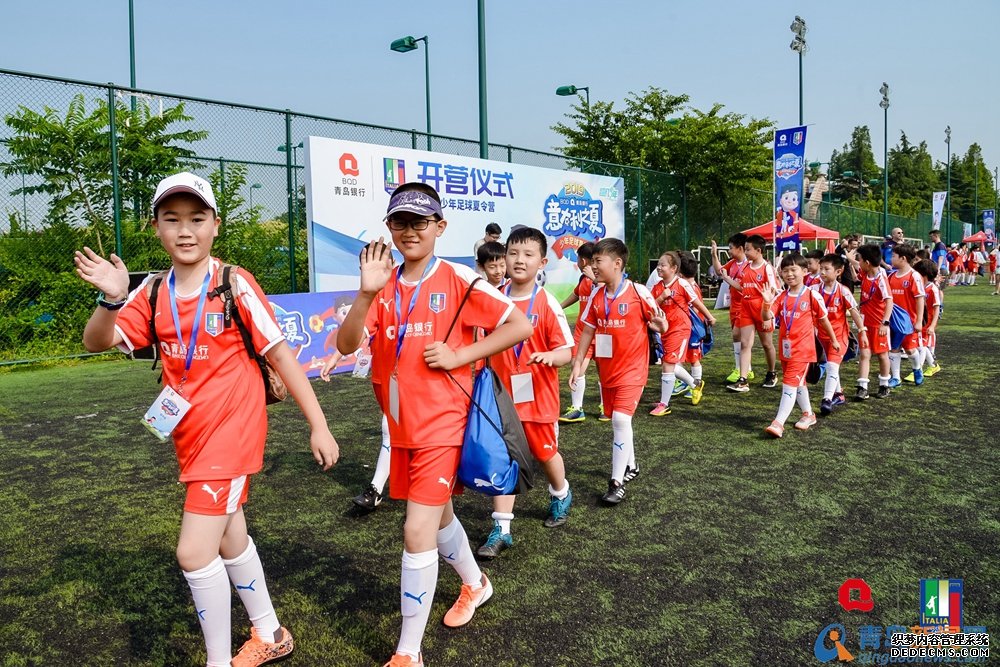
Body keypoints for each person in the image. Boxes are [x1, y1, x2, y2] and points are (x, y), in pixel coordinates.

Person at [73, 172, 339, 667]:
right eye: (172, 219)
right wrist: (111, 298)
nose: (185, 230)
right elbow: (97, 342)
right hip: (190, 438)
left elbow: (281, 356)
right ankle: (270, 631)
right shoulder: (152, 292)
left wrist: (318, 424)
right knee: (231, 534)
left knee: (194, 553)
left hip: (233, 436)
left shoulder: (232, 284)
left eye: (197, 218)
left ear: (215, 225)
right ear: (156, 228)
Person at [335, 182, 532, 667]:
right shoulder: (381, 283)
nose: (408, 231)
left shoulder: (460, 280)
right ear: (388, 228)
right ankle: (475, 582)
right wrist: (365, 293)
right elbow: (344, 345)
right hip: (400, 427)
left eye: (419, 222)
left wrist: (459, 354)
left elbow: (518, 326)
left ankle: (408, 653)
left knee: (416, 530)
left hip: (445, 427)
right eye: (399, 222)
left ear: (439, 227)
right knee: (440, 516)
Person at [476, 226, 574, 559]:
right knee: (503, 458)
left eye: (528, 254)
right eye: (513, 253)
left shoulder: (546, 303)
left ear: (542, 261)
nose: (519, 260)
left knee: (544, 453)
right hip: (500, 398)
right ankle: (501, 528)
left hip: (539, 400)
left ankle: (560, 493)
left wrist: (550, 356)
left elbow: (568, 350)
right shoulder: (493, 297)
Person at [569, 238, 666, 505]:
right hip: (607, 370)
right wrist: (578, 364)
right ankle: (632, 465)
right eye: (592, 261)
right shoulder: (596, 296)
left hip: (633, 370)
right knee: (619, 420)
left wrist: (660, 324)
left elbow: (661, 324)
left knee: (620, 421)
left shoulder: (638, 292)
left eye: (598, 261)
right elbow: (588, 330)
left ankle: (616, 483)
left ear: (617, 263)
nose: (593, 266)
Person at [759, 253, 839, 438]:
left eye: (793, 269)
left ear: (804, 271)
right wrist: (766, 303)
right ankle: (808, 414)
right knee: (799, 383)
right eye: (785, 270)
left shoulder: (813, 295)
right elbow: (767, 317)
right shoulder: (781, 297)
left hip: (803, 351)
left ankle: (778, 423)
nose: (789, 274)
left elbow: (824, 320)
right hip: (786, 349)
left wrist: (834, 340)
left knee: (789, 384)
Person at [649, 251, 716, 415]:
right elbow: (649, 308)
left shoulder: (682, 284)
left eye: (662, 265)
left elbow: (696, 303)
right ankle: (695, 384)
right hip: (664, 330)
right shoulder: (658, 287)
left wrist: (709, 317)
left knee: (668, 365)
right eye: (658, 265)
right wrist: (661, 298)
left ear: (674, 268)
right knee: (667, 362)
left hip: (681, 329)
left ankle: (664, 405)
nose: (658, 268)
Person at [812, 254, 865, 415]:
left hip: (839, 336)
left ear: (838, 271)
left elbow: (854, 312)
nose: (822, 272)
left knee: (832, 366)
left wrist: (862, 330)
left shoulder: (843, 291)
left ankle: (827, 399)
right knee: (830, 367)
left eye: (826, 269)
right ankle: (839, 395)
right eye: (821, 268)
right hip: (821, 337)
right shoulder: (814, 290)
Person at [728, 234, 780, 392]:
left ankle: (772, 373)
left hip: (762, 309)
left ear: (759, 251)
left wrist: (767, 312)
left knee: (766, 344)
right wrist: (727, 279)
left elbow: (773, 291)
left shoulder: (767, 268)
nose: (746, 252)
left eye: (748, 249)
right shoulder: (746, 267)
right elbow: (742, 287)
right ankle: (743, 380)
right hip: (746, 309)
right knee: (745, 344)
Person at [559, 242, 603, 422]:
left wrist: (595, 279)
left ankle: (606, 406)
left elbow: (608, 294)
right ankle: (577, 408)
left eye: (577, 258)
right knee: (577, 367)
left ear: (583, 260)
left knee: (605, 371)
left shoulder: (602, 279)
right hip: (582, 332)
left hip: (602, 334)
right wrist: (558, 307)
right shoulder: (582, 280)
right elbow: (577, 294)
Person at [710, 233, 755, 383]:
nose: (729, 251)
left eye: (730, 248)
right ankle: (746, 369)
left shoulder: (749, 265)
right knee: (737, 337)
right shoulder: (732, 263)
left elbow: (743, 288)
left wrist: (728, 279)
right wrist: (714, 255)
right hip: (734, 305)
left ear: (740, 248)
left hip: (746, 306)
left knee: (739, 336)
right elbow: (719, 271)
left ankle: (740, 369)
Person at [855, 244, 894, 400]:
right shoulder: (865, 273)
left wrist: (885, 323)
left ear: (867, 262)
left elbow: (889, 301)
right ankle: (862, 387)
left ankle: (884, 384)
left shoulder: (881, 279)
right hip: (865, 323)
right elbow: (855, 265)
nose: (858, 262)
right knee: (864, 354)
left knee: (882, 355)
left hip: (879, 324)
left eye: (860, 259)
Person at [887, 243, 925, 388]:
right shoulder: (892, 276)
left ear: (903, 258)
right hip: (893, 320)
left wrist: (919, 321)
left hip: (909, 321)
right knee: (893, 348)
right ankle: (896, 378)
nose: (891, 259)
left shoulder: (914, 276)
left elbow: (920, 299)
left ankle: (917, 369)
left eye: (893, 256)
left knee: (910, 349)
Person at [908, 259, 943, 380]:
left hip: (928, 324)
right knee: (922, 345)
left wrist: (932, 325)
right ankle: (933, 365)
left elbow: (937, 307)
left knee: (922, 346)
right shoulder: (920, 287)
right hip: (921, 322)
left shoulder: (932, 289)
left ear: (924, 275)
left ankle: (918, 370)